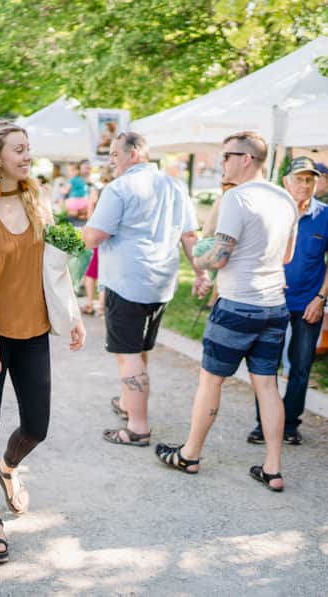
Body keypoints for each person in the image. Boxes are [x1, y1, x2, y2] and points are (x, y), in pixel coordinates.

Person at [0, 120, 86, 565]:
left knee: (37, 424)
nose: (27, 156)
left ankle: (8, 468)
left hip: (34, 331)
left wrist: (71, 315)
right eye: (19, 149)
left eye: (28, 148)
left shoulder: (39, 200)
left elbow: (54, 265)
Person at [156, 131, 298, 492]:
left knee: (211, 381)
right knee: (267, 386)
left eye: (226, 157)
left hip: (237, 305)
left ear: (245, 159)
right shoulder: (286, 198)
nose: (222, 164)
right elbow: (287, 257)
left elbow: (216, 258)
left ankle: (190, 454)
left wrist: (193, 246)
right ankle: (273, 468)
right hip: (274, 306)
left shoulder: (237, 198)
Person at [82, 132, 210, 447]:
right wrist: (200, 273)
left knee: (128, 355)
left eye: (114, 154)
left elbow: (94, 236)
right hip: (161, 284)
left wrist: (80, 232)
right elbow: (190, 235)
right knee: (138, 350)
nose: (111, 160)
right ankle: (128, 402)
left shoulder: (119, 188)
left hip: (126, 281)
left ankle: (138, 427)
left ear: (135, 153)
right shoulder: (175, 185)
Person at [247, 156, 328, 446]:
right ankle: (264, 424)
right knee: (265, 365)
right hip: (271, 301)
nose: (305, 185)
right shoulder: (272, 212)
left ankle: (290, 424)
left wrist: (320, 299)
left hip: (309, 303)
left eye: (310, 179)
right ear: (286, 182)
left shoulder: (326, 215)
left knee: (301, 365)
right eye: (299, 179)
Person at [81, 165, 114, 316]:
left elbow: (90, 211)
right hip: (110, 233)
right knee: (106, 269)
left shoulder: (96, 189)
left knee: (91, 270)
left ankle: (89, 302)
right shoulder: (117, 188)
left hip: (95, 231)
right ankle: (101, 305)